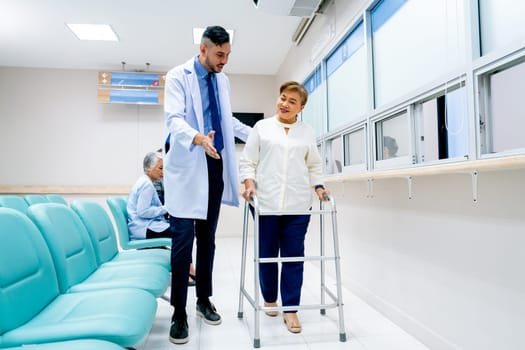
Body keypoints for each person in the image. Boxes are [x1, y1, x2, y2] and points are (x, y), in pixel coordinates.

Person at [163, 25, 251, 344]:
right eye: (219, 54)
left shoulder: (222, 80)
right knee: (183, 242)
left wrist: (260, 135)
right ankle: (178, 313)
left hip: (214, 166)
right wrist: (198, 138)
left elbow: (228, 122)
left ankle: (203, 300)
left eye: (227, 55)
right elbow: (173, 119)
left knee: (208, 240)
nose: (224, 60)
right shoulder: (178, 76)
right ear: (202, 49)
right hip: (188, 167)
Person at [239, 81, 329, 334]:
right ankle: (269, 299)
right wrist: (249, 184)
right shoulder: (262, 127)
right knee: (267, 255)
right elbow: (248, 161)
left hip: (298, 204)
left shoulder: (306, 132)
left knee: (293, 257)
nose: (285, 104)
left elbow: (314, 165)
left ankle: (291, 310)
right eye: (282, 98)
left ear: (301, 107)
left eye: (292, 101)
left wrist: (319, 187)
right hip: (265, 202)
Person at [127, 151, 196, 284]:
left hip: (145, 225)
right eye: (160, 168)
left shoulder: (146, 181)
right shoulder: (146, 185)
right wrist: (167, 208)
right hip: (143, 228)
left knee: (184, 230)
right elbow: (143, 212)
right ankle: (184, 272)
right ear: (148, 168)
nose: (163, 172)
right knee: (184, 233)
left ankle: (187, 269)